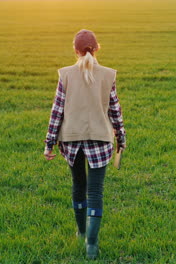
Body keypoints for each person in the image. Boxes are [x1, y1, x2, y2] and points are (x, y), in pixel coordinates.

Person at [43, 29, 126, 260]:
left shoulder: (65, 74)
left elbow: (57, 111)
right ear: (97, 48)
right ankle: (92, 244)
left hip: (71, 140)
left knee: (78, 186)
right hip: (100, 139)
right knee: (95, 191)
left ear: (75, 51)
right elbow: (115, 110)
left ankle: (81, 232)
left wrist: (49, 143)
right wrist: (121, 137)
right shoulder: (108, 75)